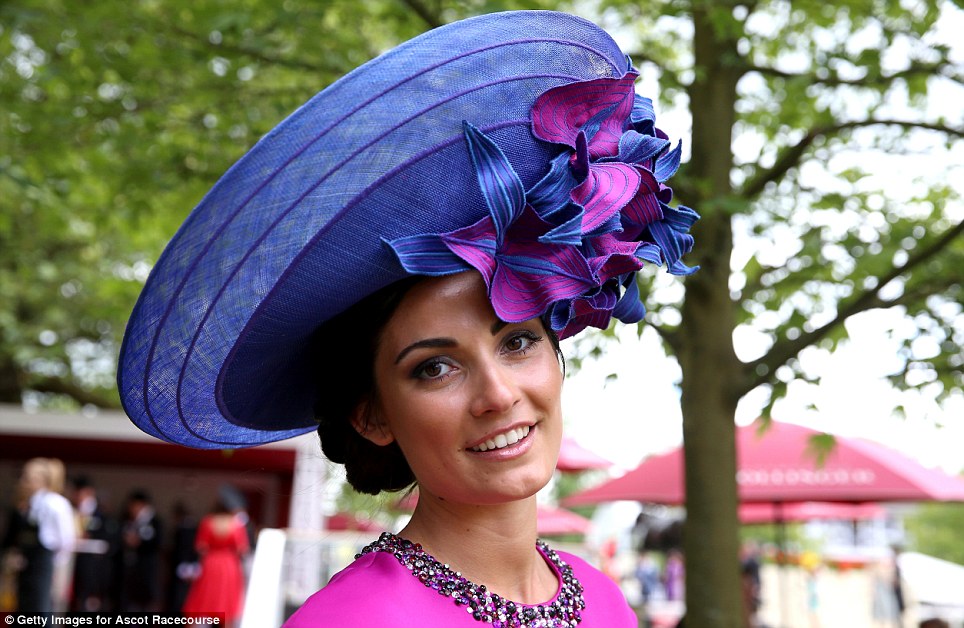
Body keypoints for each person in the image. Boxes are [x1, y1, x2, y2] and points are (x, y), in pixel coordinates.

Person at [117, 10, 698, 626]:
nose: (499, 395)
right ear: (371, 415)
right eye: (436, 367)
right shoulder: (350, 619)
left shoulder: (604, 599)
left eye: (519, 341)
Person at [0, 458, 76, 613]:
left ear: (41, 480)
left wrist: (55, 566)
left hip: (45, 563)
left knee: (40, 608)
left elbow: (66, 540)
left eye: (27, 479)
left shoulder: (55, 503)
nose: (23, 483)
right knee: (24, 607)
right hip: (28, 563)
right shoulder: (29, 504)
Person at [181, 490, 250, 627]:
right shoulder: (237, 525)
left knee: (204, 598)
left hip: (210, 564)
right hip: (229, 566)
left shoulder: (208, 522)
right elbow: (243, 549)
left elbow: (200, 547)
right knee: (226, 602)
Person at [70, 475, 119, 612]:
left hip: (94, 573)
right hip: (72, 571)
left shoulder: (102, 517)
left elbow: (110, 545)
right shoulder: (71, 512)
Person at [118, 490, 163, 612]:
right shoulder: (127, 521)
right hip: (130, 572)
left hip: (147, 572)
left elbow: (157, 543)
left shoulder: (154, 522)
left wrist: (139, 542)